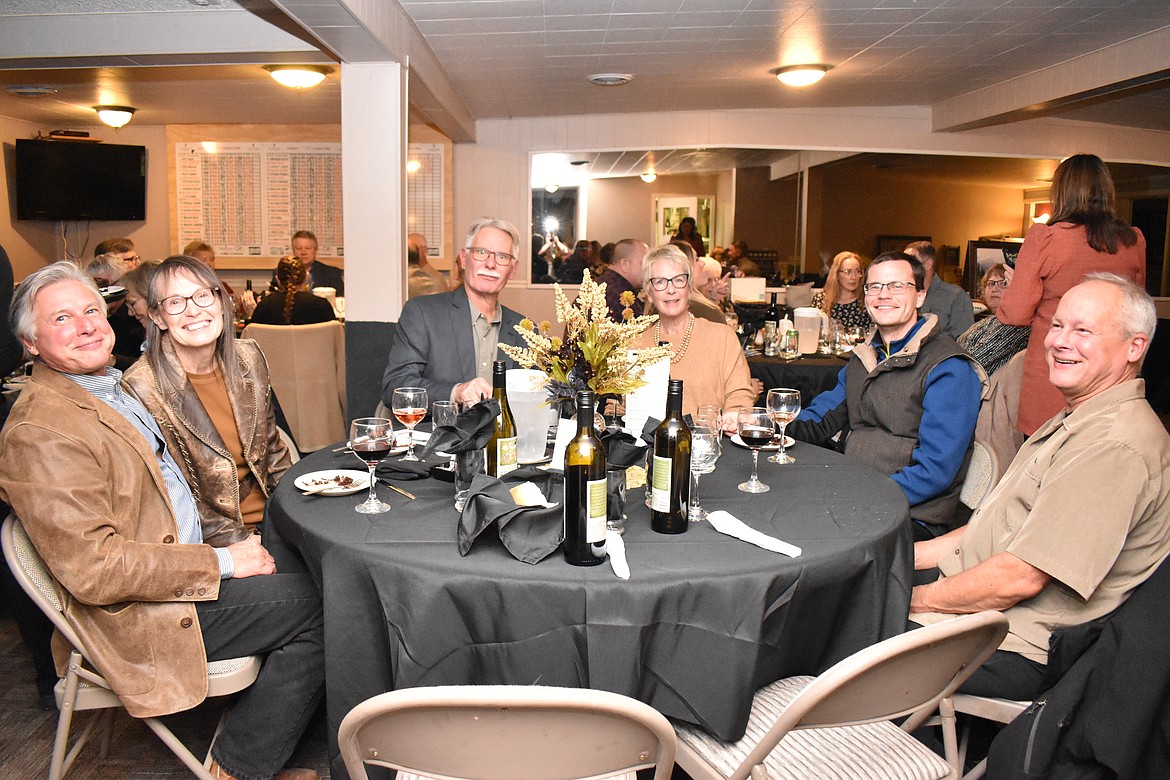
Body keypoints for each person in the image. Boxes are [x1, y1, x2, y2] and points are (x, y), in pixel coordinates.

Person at [0, 262, 323, 780]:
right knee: (324, 607)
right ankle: (238, 767)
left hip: (179, 574)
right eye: (62, 318)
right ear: (31, 342)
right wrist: (223, 562)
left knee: (332, 573)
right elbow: (95, 570)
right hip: (144, 611)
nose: (85, 326)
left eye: (89, 310)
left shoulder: (104, 387)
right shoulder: (41, 431)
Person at [910, 274, 1169, 700]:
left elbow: (1019, 579)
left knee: (837, 631)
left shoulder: (1113, 445)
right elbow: (992, 529)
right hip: (982, 601)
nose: (1059, 342)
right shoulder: (1080, 415)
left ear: (1134, 347)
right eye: (1058, 325)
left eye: (1083, 330)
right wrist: (893, 559)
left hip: (1014, 641)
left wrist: (912, 599)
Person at [788, 252, 985, 541]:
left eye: (896, 286)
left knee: (806, 542)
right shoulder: (865, 358)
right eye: (875, 287)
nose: (883, 295)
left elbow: (934, 472)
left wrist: (863, 497)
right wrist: (763, 425)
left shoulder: (948, 369)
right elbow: (820, 420)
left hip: (911, 515)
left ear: (920, 296)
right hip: (855, 494)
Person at [123, 254, 294, 546]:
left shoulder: (248, 357)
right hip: (212, 545)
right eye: (176, 302)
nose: (193, 311)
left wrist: (298, 522)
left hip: (274, 525)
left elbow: (274, 453)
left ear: (221, 301)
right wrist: (244, 546)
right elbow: (170, 496)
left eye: (202, 295)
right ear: (157, 317)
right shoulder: (140, 388)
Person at [997, 153, 1146, 436]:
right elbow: (1137, 310)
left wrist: (1017, 283)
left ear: (1061, 191)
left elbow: (1015, 314)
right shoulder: (1133, 241)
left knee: (1043, 465)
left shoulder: (1047, 238)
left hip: (1055, 372)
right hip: (1110, 372)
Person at [383, 217, 529, 407]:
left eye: (502, 257)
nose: (490, 264)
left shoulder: (524, 330)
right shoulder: (422, 314)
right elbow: (395, 388)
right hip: (441, 434)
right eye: (481, 252)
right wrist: (456, 393)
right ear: (464, 259)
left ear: (513, 269)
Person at [633, 244, 754, 426]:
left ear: (689, 289)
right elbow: (619, 406)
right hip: (650, 449)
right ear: (649, 293)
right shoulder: (635, 344)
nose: (670, 289)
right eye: (660, 282)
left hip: (710, 446)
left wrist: (734, 415)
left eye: (678, 280)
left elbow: (740, 394)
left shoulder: (722, 337)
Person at [904, 241, 974, 340]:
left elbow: (964, 341)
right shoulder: (902, 294)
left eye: (911, 261)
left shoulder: (956, 296)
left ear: (928, 264)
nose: (905, 267)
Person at [250, 256, 338, 326]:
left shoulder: (265, 307)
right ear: (306, 278)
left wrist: (251, 314)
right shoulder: (322, 306)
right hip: (312, 349)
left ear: (278, 280)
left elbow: (252, 341)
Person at [811, 251, 873, 331]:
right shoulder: (821, 299)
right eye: (848, 272)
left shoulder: (866, 300)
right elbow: (813, 329)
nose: (854, 277)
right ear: (836, 274)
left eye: (858, 271)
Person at [275, 230, 344, 295]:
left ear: (315, 250)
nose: (303, 252)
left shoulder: (332, 274)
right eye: (299, 248)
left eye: (308, 248)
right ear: (293, 251)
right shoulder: (281, 273)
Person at [595, 238, 647, 320]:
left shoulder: (601, 284)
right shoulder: (620, 299)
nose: (649, 269)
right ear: (625, 265)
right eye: (644, 263)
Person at [688, 255, 730, 324]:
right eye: (709, 280)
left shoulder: (721, 302)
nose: (713, 284)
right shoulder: (691, 305)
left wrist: (714, 299)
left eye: (716, 279)